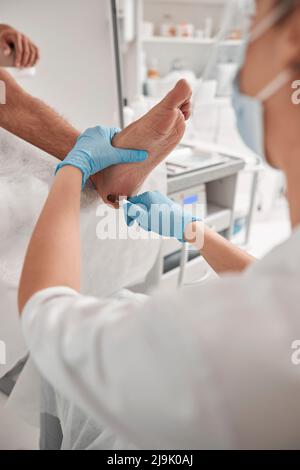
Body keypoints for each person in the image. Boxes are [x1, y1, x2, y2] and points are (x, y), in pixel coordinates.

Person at [18, 0, 300, 449]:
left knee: (109, 318)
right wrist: (196, 231)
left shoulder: (223, 341)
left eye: (251, 23)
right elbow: (279, 288)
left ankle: (102, 167)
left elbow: (47, 317)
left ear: (292, 41)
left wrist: (72, 171)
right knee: (124, 301)